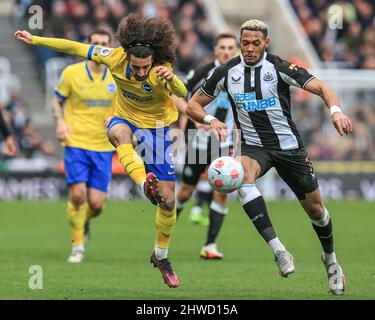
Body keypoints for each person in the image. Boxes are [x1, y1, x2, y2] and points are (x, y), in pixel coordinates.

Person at [15, 13, 187, 288]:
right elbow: (74, 47)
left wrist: (173, 79)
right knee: (120, 135)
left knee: (168, 203)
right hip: (122, 121)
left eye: (146, 67)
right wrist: (35, 39)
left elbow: (182, 91)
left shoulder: (161, 67)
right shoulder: (113, 57)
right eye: (136, 66)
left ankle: (161, 256)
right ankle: (144, 184)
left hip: (157, 129)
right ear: (126, 55)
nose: (141, 72)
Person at [185, 19, 352, 295]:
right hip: (254, 147)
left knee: (316, 211)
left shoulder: (278, 67)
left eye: (255, 43)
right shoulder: (227, 72)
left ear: (266, 43)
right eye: (245, 43)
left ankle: (331, 260)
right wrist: (210, 119)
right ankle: (279, 250)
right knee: (239, 178)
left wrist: (336, 111)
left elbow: (323, 88)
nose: (249, 48)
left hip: (289, 148)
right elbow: (193, 104)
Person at [52, 30, 116, 263]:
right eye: (95, 44)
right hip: (76, 142)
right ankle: (77, 246)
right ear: (88, 46)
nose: (99, 48)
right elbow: (57, 101)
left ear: (111, 48)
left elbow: (126, 109)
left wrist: (118, 121)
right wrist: (60, 121)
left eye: (104, 44)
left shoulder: (117, 76)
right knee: (77, 196)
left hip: (103, 146)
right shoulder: (71, 73)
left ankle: (85, 220)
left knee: (96, 205)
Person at [176, 33, 238, 259]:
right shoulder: (203, 72)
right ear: (215, 49)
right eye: (223, 47)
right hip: (198, 141)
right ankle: (166, 232)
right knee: (185, 192)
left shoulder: (243, 74)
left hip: (227, 142)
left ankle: (210, 245)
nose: (227, 51)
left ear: (236, 50)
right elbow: (177, 95)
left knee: (222, 192)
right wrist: (195, 119)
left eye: (231, 47)